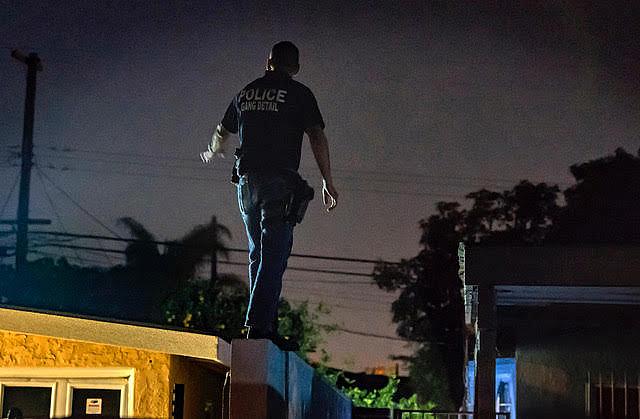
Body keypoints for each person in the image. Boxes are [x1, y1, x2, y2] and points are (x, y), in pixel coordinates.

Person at [201, 41, 338, 350]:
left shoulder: (245, 93)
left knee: (258, 255)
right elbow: (316, 134)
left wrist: (212, 151)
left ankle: (264, 324)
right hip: (278, 181)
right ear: (296, 68)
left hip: (246, 184)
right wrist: (328, 181)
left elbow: (222, 131)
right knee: (274, 255)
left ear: (268, 62)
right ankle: (259, 326)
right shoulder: (300, 94)